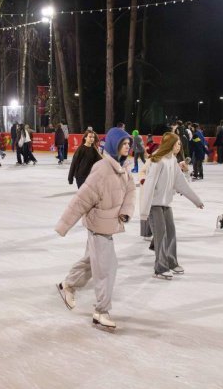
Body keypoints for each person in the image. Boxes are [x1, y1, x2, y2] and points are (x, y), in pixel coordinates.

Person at [55, 127, 135, 331]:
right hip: (98, 225)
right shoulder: (102, 169)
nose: (127, 146)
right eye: (123, 143)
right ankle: (101, 312)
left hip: (110, 224)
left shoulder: (124, 167)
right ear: (114, 145)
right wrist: (64, 225)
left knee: (92, 261)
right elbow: (82, 199)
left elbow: (131, 192)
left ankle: (68, 284)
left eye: (128, 143)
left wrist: (126, 212)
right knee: (107, 268)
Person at [140, 133, 204, 280]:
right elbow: (149, 186)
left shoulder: (172, 160)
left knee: (171, 233)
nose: (179, 146)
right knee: (160, 235)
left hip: (166, 204)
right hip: (154, 204)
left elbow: (180, 182)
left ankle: (171, 262)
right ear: (170, 144)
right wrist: (144, 211)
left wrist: (196, 200)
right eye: (178, 144)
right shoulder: (157, 161)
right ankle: (160, 268)